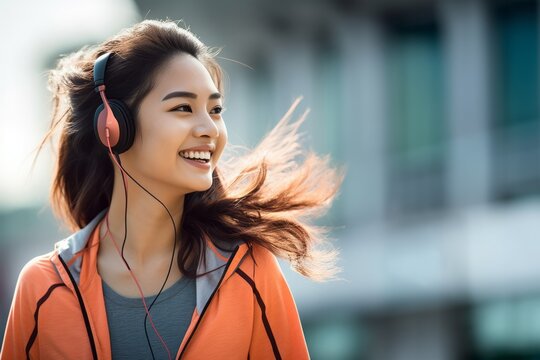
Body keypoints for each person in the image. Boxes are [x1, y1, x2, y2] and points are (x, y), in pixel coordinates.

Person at [0, 19, 344, 359]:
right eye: (183, 108)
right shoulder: (43, 287)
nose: (210, 128)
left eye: (216, 110)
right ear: (114, 126)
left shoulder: (250, 270)